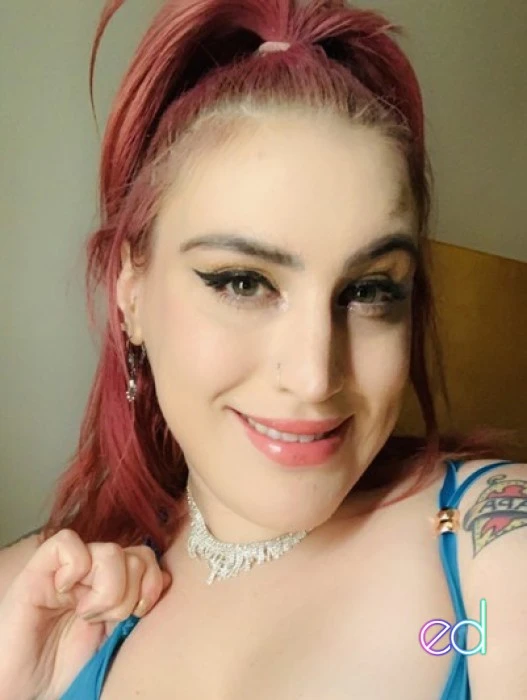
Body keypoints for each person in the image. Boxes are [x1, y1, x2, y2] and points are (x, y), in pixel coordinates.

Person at [0, 0, 525, 698]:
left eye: (369, 290)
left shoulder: (492, 550)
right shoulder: (39, 602)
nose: (313, 377)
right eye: (242, 282)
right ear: (131, 292)